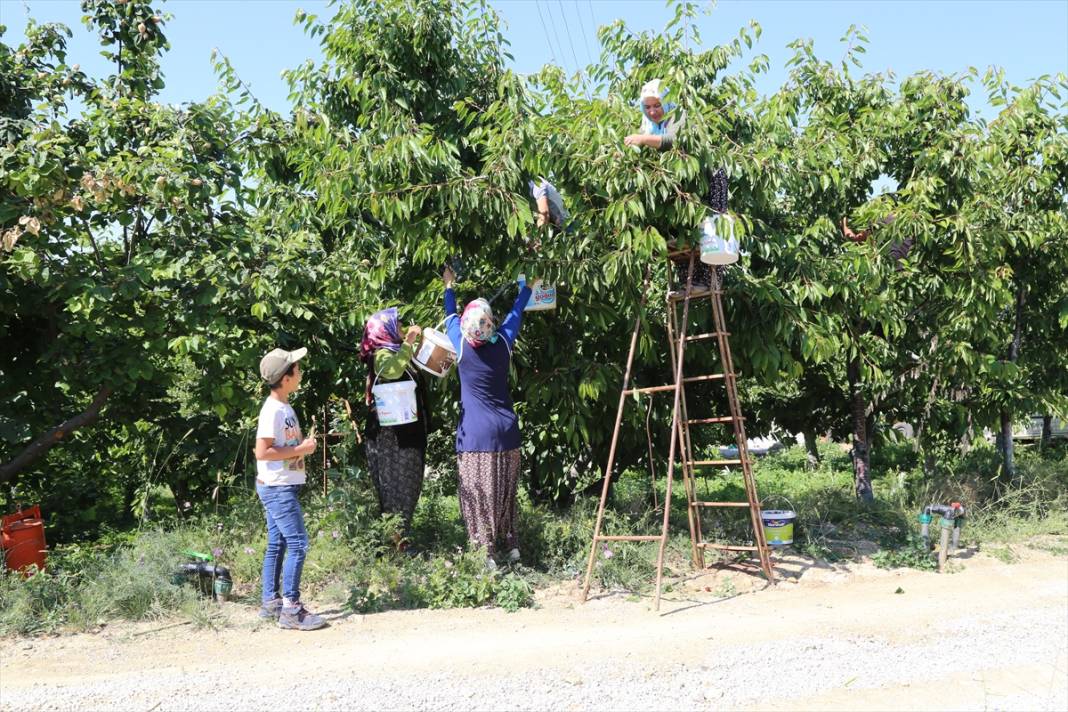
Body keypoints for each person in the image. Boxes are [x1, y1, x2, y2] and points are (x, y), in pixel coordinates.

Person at [442, 264, 532, 568]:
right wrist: (529, 285)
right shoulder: (503, 343)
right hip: (507, 432)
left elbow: (449, 316)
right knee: (505, 493)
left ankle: (486, 554)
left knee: (480, 497)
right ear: (491, 323)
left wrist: (449, 285)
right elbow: (517, 312)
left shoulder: (462, 347)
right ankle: (510, 547)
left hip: (476, 437)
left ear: (467, 326)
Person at [254, 347, 326, 631]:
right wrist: (302, 449)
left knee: (278, 543)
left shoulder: (283, 406)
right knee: (298, 543)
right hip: (278, 489)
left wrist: (298, 448)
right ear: (286, 378)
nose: (300, 371)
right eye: (295, 368)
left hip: (278, 486)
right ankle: (291, 610)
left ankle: (271, 602)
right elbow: (262, 451)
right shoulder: (272, 410)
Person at [360, 308, 428, 545]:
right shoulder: (381, 355)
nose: (402, 328)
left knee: (409, 486)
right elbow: (393, 370)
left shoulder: (399, 352)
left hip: (407, 433)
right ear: (384, 330)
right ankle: (394, 540)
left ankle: (400, 538)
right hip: (389, 437)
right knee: (393, 488)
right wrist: (408, 342)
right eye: (397, 325)